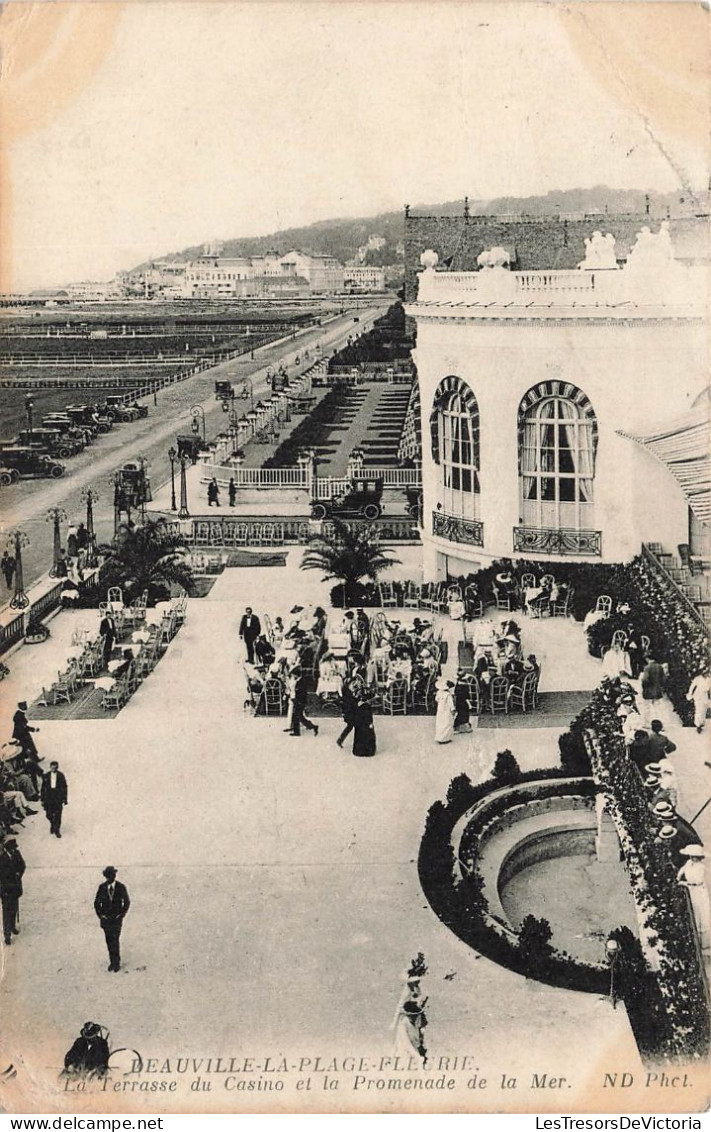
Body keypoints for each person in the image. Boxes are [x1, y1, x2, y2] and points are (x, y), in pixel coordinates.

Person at [94, 866, 130, 972]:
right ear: (106, 876)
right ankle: (112, 962)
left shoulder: (121, 887)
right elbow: (96, 903)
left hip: (117, 920)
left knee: (115, 939)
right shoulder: (102, 887)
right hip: (106, 920)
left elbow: (127, 902)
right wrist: (101, 915)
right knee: (109, 940)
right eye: (109, 875)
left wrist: (121, 914)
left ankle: (116, 963)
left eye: (113, 875)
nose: (112, 877)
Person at [677, 847, 710, 950]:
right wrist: (678, 876)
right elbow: (682, 869)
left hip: (699, 890)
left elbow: (697, 880)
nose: (693, 858)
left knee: (702, 914)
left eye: (695, 856)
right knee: (694, 913)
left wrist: (685, 883)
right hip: (692, 890)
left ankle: (704, 943)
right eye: (691, 856)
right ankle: (696, 941)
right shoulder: (688, 863)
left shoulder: (701, 867)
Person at [0, 838, 26, 946]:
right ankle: (7, 935)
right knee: (6, 911)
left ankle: (13, 927)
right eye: (12, 849)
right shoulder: (2, 858)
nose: (14, 850)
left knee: (14, 908)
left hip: (15, 887)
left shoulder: (17, 854)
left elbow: (23, 865)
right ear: (8, 849)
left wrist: (18, 874)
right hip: (6, 889)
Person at [286, 666, 318, 737]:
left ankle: (298, 731)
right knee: (299, 716)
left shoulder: (301, 682)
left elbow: (301, 693)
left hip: (300, 701)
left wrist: (296, 700)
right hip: (299, 700)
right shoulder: (300, 680)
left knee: (297, 716)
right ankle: (311, 726)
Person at [41, 761, 68, 838]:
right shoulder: (46, 776)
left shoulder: (61, 775)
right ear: (50, 767)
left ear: (57, 767)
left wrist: (65, 799)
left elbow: (64, 787)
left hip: (57, 796)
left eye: (55, 768)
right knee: (48, 814)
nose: (53, 769)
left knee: (58, 814)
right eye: (52, 768)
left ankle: (57, 830)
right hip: (48, 797)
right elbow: (43, 788)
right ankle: (52, 823)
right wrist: (42, 799)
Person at [352, 691, 377, 757]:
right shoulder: (367, 707)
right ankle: (368, 751)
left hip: (359, 725)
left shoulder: (359, 706)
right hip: (366, 725)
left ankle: (358, 751)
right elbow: (369, 718)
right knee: (368, 735)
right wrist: (370, 724)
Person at [434, 678, 456, 744]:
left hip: (440, 710)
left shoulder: (438, 692)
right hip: (446, 711)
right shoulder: (448, 695)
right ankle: (445, 738)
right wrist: (453, 711)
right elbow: (451, 704)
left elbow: (436, 699)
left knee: (440, 724)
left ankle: (439, 737)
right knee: (447, 723)